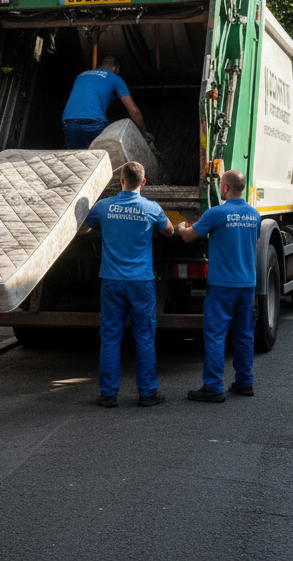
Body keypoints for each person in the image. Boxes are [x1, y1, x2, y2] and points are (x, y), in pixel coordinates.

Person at [81, 161, 173, 407]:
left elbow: (83, 229)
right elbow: (169, 231)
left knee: (111, 336)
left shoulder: (103, 207)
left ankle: (108, 394)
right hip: (141, 282)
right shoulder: (151, 208)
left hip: (112, 281)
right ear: (143, 182)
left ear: (120, 180)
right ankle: (147, 393)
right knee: (144, 337)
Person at [178, 170, 260, 403]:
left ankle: (214, 386)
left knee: (215, 335)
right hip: (247, 284)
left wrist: (182, 227)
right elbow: (254, 242)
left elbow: (189, 236)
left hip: (222, 285)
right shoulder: (254, 214)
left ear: (225, 188)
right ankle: (244, 382)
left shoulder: (216, 213)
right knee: (244, 334)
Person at [61, 54, 151, 148]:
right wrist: (145, 136)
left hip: (68, 122)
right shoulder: (114, 78)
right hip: (93, 123)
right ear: (115, 68)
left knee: (76, 156)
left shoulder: (81, 76)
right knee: (105, 155)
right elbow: (134, 111)